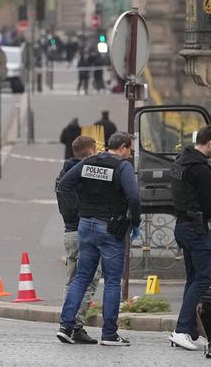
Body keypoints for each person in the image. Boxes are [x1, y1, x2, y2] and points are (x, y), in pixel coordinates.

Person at [56, 131, 142, 347]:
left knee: (81, 277)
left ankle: (66, 326)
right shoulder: (122, 166)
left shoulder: (89, 162)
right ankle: (109, 334)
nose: (130, 154)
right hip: (110, 227)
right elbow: (133, 197)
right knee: (112, 280)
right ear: (122, 147)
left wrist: (80, 210)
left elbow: (64, 185)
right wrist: (135, 223)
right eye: (130, 149)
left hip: (86, 226)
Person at [169, 125, 211, 351]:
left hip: (182, 225)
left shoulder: (181, 161)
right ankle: (181, 330)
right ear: (210, 143)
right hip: (196, 229)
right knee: (202, 280)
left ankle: (190, 331)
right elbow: (209, 206)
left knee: (193, 279)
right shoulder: (201, 168)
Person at [55, 135, 102, 344]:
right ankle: (75, 325)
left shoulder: (63, 173)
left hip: (69, 232)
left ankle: (66, 323)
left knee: (72, 281)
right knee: (89, 280)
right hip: (84, 231)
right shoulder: (86, 174)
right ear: (91, 151)